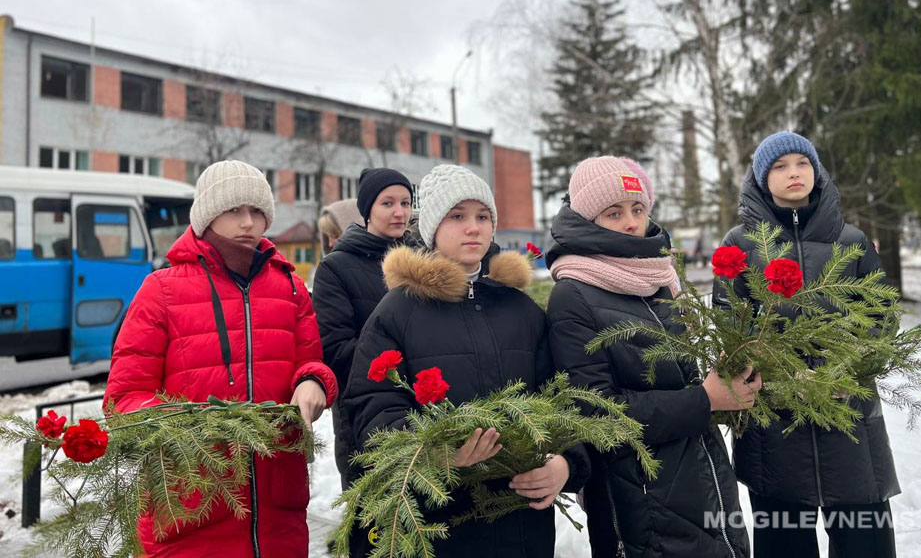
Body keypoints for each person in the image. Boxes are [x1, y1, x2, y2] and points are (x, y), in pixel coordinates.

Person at [342, 163, 589, 558]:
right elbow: (371, 408)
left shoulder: (522, 310)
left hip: (521, 524)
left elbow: (564, 398)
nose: (473, 227)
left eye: (482, 216)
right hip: (441, 525)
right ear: (433, 228)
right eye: (457, 216)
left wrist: (565, 464)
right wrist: (436, 455)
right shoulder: (396, 312)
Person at [104, 160, 338, 558]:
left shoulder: (291, 287)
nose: (248, 223)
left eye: (257, 212)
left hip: (276, 511)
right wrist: (184, 428)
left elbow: (310, 361)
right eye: (233, 210)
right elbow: (124, 397)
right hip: (193, 505)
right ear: (207, 215)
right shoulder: (161, 290)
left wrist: (313, 382)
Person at [545, 156, 753, 558]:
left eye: (638, 209)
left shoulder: (660, 279)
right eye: (614, 212)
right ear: (588, 219)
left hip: (704, 478)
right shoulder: (573, 293)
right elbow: (597, 414)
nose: (631, 223)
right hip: (641, 501)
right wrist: (705, 400)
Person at [715, 131, 899, 558]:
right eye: (779, 166)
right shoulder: (740, 244)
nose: (793, 173)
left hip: (848, 418)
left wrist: (846, 366)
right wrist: (777, 370)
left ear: (816, 171)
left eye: (802, 163)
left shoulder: (851, 241)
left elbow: (882, 317)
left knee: (864, 538)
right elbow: (729, 323)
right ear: (763, 179)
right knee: (785, 540)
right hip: (775, 425)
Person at [312, 168, 417, 488]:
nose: (399, 212)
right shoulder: (337, 267)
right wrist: (407, 354)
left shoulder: (423, 258)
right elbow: (335, 350)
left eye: (406, 202)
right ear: (367, 209)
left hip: (424, 410)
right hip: (364, 419)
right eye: (387, 203)